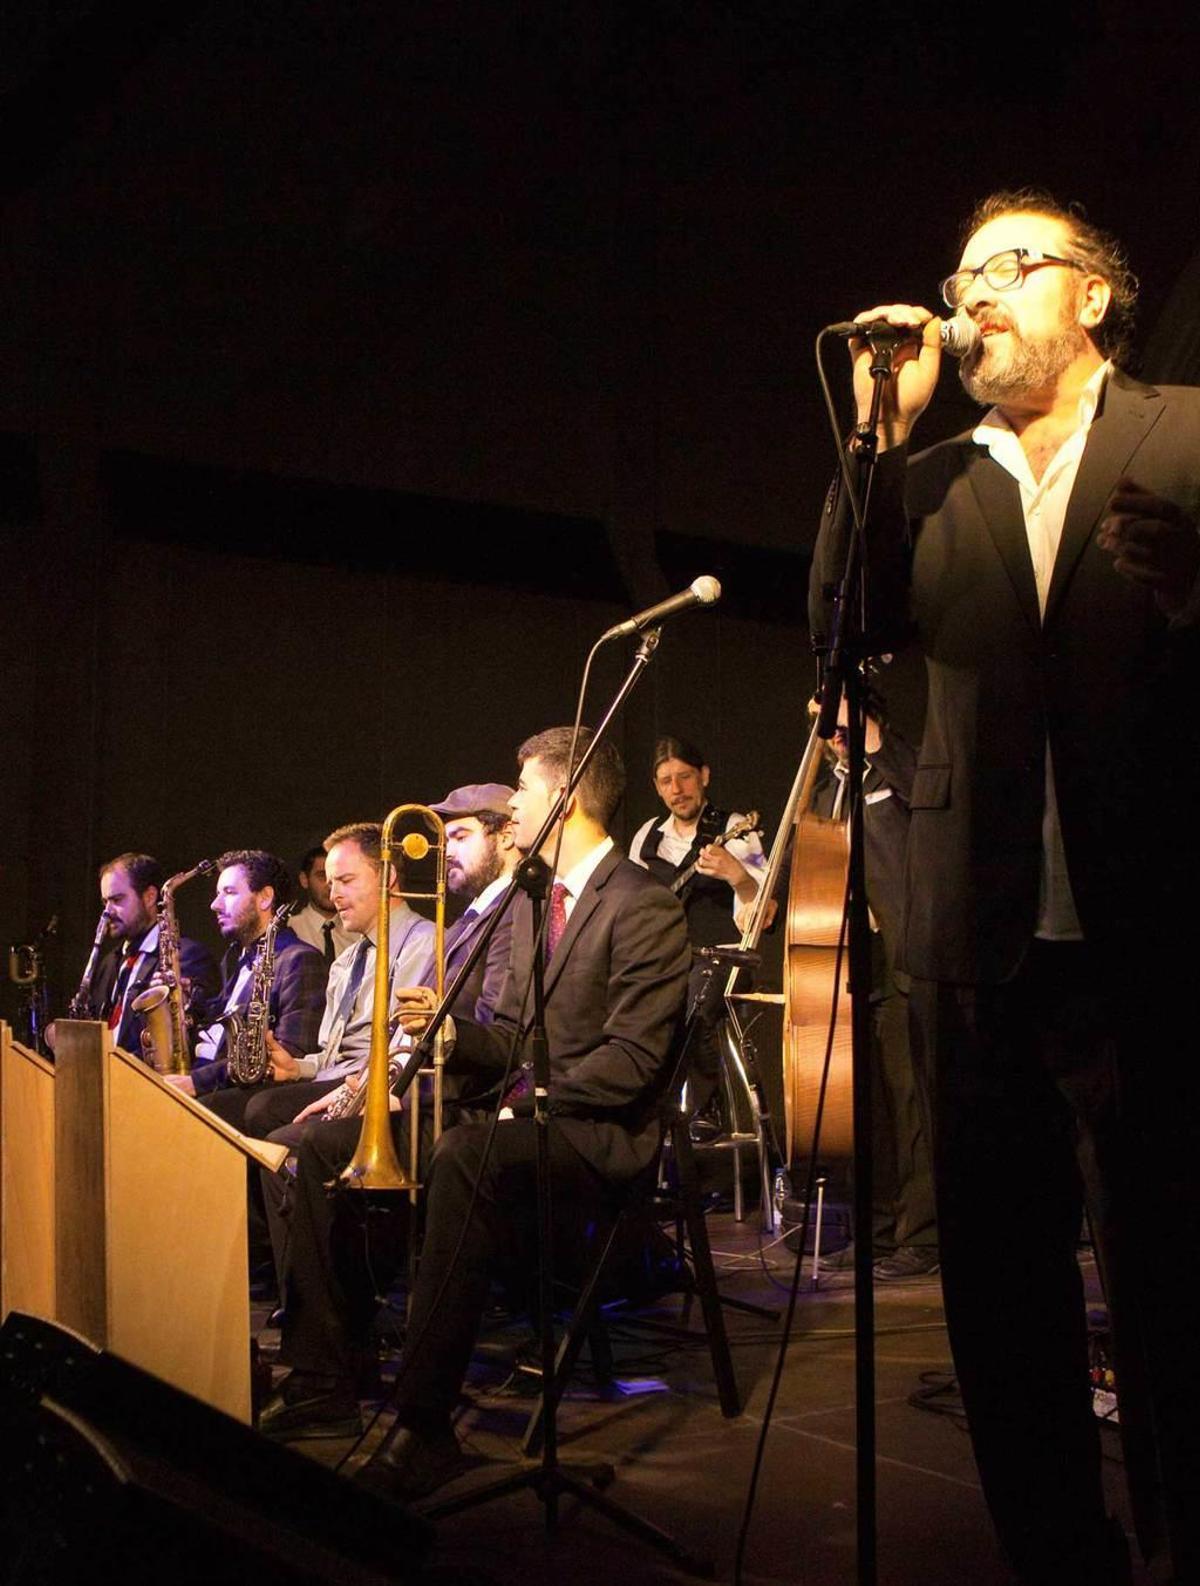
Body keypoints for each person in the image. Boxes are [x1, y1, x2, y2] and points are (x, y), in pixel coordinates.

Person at [810, 188, 1200, 1586]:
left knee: (1172, 1275)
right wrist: (878, 435)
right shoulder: (924, 479)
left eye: (1011, 267)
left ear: (1094, 297)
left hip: (1154, 936)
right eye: (960, 271)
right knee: (1001, 1291)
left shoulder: (1191, 433)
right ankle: (1060, 1559)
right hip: (978, 946)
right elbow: (839, 634)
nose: (974, 293)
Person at [264, 728, 691, 1498]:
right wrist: (459, 1037)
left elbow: (632, 1063)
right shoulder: (534, 908)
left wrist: (525, 1099)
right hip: (528, 1118)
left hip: (599, 1134)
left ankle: (424, 1426)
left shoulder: (644, 904)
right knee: (324, 1148)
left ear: (565, 798)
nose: (513, 805)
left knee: (464, 1153)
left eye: (522, 790)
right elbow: (512, 1041)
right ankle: (327, 1376)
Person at [255, 784, 519, 1424]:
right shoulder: (469, 924)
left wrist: (377, 1092)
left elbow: (493, 1039)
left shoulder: (506, 919)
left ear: (505, 836)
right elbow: (416, 1032)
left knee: (302, 1145)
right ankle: (336, 1346)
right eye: (444, 836)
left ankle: (329, 1364)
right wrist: (358, 1088)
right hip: (425, 1092)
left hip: (460, 1107)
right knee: (281, 1127)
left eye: (460, 836)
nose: (444, 851)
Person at [811, 691, 938, 1282]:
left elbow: (925, 796)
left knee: (911, 1100)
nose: (833, 732)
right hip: (849, 959)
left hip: (902, 949)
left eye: (844, 721)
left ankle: (924, 1235)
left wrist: (863, 732)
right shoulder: (826, 788)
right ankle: (880, 1232)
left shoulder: (901, 763)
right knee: (869, 1106)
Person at [200, 823, 434, 1136]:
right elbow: (330, 1054)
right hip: (339, 1076)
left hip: (376, 1086)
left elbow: (401, 1051)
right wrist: (297, 1068)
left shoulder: (426, 943)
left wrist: (354, 1090)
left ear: (387, 877)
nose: (333, 895)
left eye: (346, 881)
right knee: (251, 1109)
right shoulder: (346, 960)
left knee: (264, 1113)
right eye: (330, 882)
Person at [629, 736, 766, 1123]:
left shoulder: (734, 828)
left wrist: (738, 877)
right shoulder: (647, 837)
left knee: (694, 1000)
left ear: (703, 776)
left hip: (720, 958)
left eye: (685, 777)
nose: (677, 789)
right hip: (665, 960)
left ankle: (703, 1111)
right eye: (665, 781)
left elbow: (762, 913)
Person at [163, 850, 326, 1098]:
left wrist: (197, 1082)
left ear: (265, 898)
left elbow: (287, 1054)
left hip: (241, 1096)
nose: (215, 905)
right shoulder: (236, 956)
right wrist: (186, 1006)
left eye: (229, 892)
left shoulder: (299, 960)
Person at [86, 852, 219, 1057]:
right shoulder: (108, 963)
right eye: (105, 902)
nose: (107, 912)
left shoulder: (186, 956)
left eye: (117, 899)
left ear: (149, 897)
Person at [289, 845, 358, 964]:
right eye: (322, 876)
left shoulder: (358, 932)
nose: (329, 885)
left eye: (337, 878)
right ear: (304, 880)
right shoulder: (291, 929)